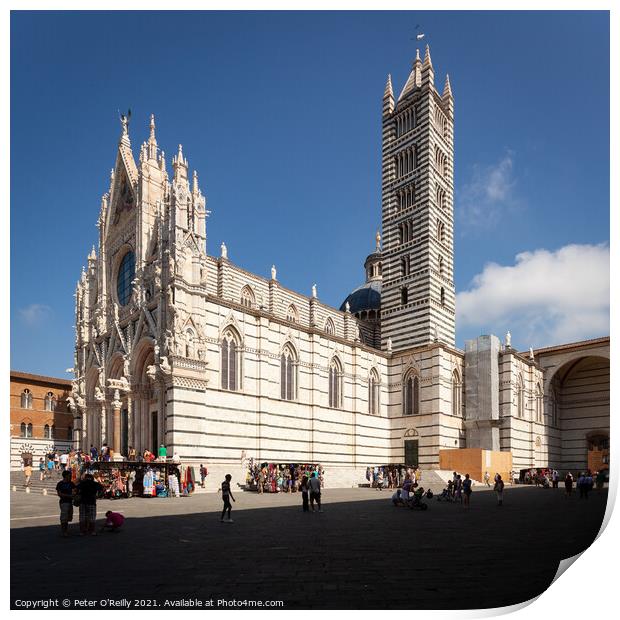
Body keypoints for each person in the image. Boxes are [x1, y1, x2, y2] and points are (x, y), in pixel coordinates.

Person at [56, 470, 76, 537]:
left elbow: (74, 490)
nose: (70, 476)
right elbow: (59, 494)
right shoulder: (60, 484)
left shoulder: (71, 483)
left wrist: (74, 494)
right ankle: (64, 531)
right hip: (64, 502)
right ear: (65, 476)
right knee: (64, 517)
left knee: (68, 517)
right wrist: (69, 496)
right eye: (69, 475)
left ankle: (65, 530)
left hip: (70, 502)